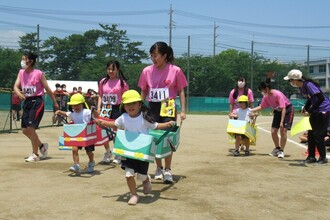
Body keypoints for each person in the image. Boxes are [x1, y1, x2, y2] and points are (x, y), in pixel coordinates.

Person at [95, 90, 175, 205]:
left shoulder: (144, 117)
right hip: (127, 150)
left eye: (133, 103)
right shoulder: (123, 117)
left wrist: (167, 125)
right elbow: (115, 124)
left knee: (141, 175)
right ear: (124, 106)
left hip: (142, 151)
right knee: (129, 174)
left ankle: (146, 179)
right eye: (128, 104)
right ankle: (134, 194)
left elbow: (155, 126)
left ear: (139, 104)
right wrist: (103, 122)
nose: (130, 106)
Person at [138, 41, 187, 183]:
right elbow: (144, 91)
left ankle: (168, 169)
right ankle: (158, 168)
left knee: (168, 137)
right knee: (154, 137)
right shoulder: (146, 71)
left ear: (164, 56)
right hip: (152, 107)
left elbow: (181, 91)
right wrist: (140, 108)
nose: (153, 59)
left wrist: (183, 110)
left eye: (156, 55)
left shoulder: (175, 70)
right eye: (151, 56)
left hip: (168, 107)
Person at [13, 52, 59, 162]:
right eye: (22, 59)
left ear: (31, 61)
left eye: (24, 59)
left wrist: (54, 102)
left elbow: (47, 88)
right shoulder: (21, 72)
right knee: (25, 130)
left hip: (37, 101)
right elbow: (15, 86)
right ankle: (42, 146)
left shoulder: (39, 73)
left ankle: (35, 154)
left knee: (31, 128)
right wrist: (19, 93)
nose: (23, 61)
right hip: (27, 102)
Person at [284, 69, 330, 164]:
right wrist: (306, 108)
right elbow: (310, 99)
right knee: (311, 134)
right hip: (316, 110)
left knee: (318, 134)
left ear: (295, 79)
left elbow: (321, 98)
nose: (290, 82)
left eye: (290, 80)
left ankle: (323, 158)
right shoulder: (302, 87)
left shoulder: (309, 85)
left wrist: (310, 110)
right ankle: (311, 157)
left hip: (324, 110)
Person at [250, 78, 294, 158]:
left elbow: (283, 107)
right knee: (273, 131)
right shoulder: (266, 97)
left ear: (266, 89)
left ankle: (281, 151)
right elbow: (262, 106)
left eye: (262, 90)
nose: (262, 92)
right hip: (277, 111)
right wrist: (251, 110)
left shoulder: (277, 94)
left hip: (287, 110)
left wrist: (281, 122)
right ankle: (277, 148)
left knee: (283, 130)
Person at [97, 60, 129, 164]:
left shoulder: (122, 83)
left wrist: (126, 110)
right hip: (105, 109)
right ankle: (107, 152)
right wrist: (99, 108)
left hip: (117, 108)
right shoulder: (103, 82)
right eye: (109, 69)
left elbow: (126, 98)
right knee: (103, 130)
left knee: (116, 132)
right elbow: (100, 95)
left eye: (113, 69)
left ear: (117, 70)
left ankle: (118, 153)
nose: (110, 71)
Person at [55, 93, 96, 173]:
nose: (76, 107)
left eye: (78, 105)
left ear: (82, 104)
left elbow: (94, 115)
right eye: (74, 105)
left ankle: (91, 162)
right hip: (77, 134)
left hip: (87, 135)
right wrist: (59, 111)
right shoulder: (72, 113)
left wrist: (94, 111)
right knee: (74, 149)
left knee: (89, 151)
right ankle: (76, 165)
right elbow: (66, 113)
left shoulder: (87, 112)